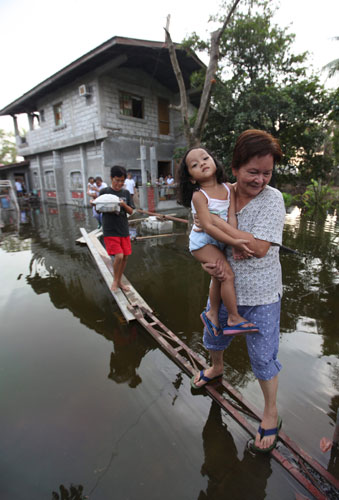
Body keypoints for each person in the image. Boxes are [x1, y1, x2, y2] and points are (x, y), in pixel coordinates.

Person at [191, 130, 285, 454]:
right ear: (234, 168)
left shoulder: (273, 199)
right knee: (214, 336)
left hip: (262, 293)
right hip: (222, 283)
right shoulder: (219, 193)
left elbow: (259, 248)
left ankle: (270, 409)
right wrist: (208, 258)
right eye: (253, 172)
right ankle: (216, 367)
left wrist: (222, 232)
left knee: (262, 356)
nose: (260, 180)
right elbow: (200, 231)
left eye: (267, 173)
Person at [178, 147, 258, 338]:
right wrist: (236, 242)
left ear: (214, 161)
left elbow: (231, 218)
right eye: (195, 165)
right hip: (202, 243)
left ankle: (212, 313)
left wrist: (233, 242)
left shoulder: (228, 188)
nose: (202, 163)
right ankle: (233, 317)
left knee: (218, 276)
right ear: (191, 178)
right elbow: (208, 226)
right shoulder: (199, 196)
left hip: (220, 241)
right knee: (228, 276)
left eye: (205, 158)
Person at [99, 166, 134, 292]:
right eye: (117, 180)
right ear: (111, 178)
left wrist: (123, 204)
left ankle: (119, 282)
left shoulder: (125, 193)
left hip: (123, 229)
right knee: (118, 256)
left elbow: (131, 211)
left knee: (125, 257)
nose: (119, 184)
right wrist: (108, 206)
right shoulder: (104, 192)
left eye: (122, 181)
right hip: (110, 229)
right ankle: (115, 281)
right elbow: (98, 209)